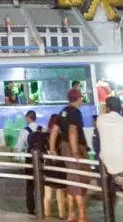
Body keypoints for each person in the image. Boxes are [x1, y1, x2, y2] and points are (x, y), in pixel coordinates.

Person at [51, 87, 89, 222]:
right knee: (79, 181)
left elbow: (54, 130)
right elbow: (73, 131)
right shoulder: (75, 112)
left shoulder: (63, 112)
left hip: (65, 147)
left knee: (72, 180)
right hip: (75, 148)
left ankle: (72, 214)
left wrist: (53, 148)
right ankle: (82, 216)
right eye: (81, 98)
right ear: (78, 99)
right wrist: (75, 152)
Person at [96, 96, 123, 216]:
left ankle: (109, 209)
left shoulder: (100, 120)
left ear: (107, 107)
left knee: (108, 184)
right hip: (122, 160)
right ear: (120, 108)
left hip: (105, 159)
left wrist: (105, 109)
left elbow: (102, 114)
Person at [45, 113, 69, 221]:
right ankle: (62, 215)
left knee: (48, 195)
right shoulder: (61, 136)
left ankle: (46, 215)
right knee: (60, 194)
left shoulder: (45, 135)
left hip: (48, 166)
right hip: (59, 166)